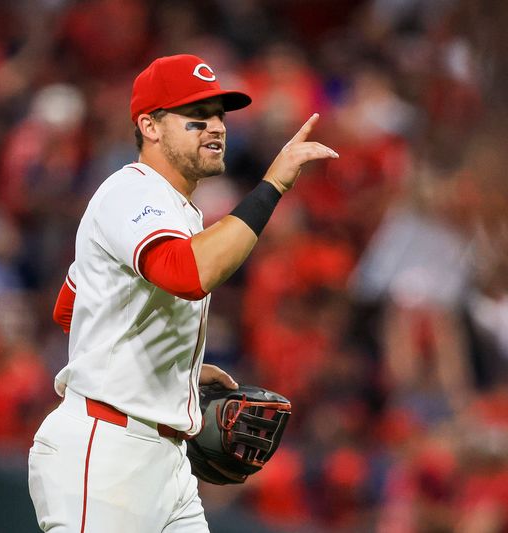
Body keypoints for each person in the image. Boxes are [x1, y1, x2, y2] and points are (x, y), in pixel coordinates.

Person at [27, 54, 339, 533]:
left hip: (165, 460)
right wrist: (273, 184)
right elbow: (188, 273)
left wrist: (172, 367)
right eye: (197, 118)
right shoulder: (131, 192)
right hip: (106, 453)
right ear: (150, 126)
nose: (215, 127)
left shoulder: (177, 211)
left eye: (220, 116)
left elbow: (70, 308)